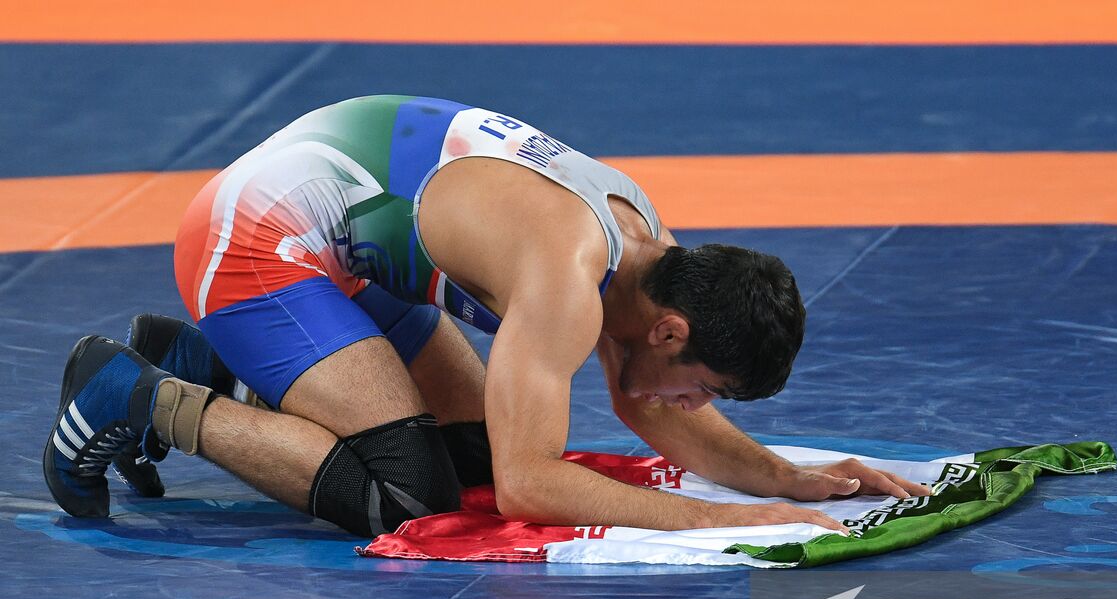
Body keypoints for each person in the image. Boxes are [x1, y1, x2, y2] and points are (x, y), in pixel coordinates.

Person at [44, 95, 929, 537]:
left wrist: (787, 482)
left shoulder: (654, 253)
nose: (692, 407)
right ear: (672, 333)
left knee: (465, 453)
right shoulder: (566, 279)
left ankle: (205, 358)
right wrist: (729, 523)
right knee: (405, 494)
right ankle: (134, 391)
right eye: (705, 388)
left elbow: (643, 403)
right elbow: (530, 488)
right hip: (253, 241)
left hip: (344, 230)